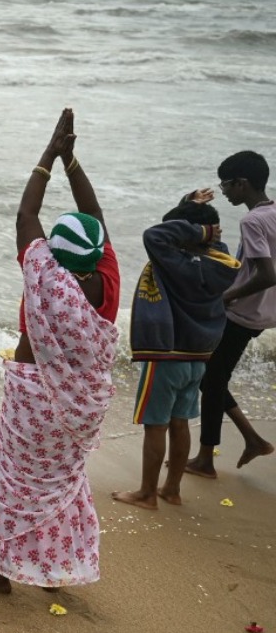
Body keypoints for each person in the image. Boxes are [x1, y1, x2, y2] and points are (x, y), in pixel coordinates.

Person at [0, 108, 119, 595]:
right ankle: (54, 571)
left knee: (13, 481)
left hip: (33, 401)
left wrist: (50, 155)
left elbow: (25, 215)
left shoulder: (44, 275)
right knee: (61, 484)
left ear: (54, 252)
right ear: (98, 254)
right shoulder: (107, 281)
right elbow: (94, 218)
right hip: (81, 407)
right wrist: (72, 163)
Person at [112, 193, 239, 510]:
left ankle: (146, 493)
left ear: (191, 233)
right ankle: (171, 489)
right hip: (197, 358)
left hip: (166, 357)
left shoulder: (174, 262)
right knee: (180, 422)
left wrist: (198, 228)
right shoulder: (217, 261)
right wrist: (194, 211)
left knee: (155, 425)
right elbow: (177, 234)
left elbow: (154, 234)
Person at [185, 150, 276, 477]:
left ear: (242, 183)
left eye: (226, 185)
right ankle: (251, 439)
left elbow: (267, 274)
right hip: (265, 313)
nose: (222, 191)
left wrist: (226, 297)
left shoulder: (252, 220)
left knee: (209, 380)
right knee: (212, 377)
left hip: (243, 313)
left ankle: (207, 460)